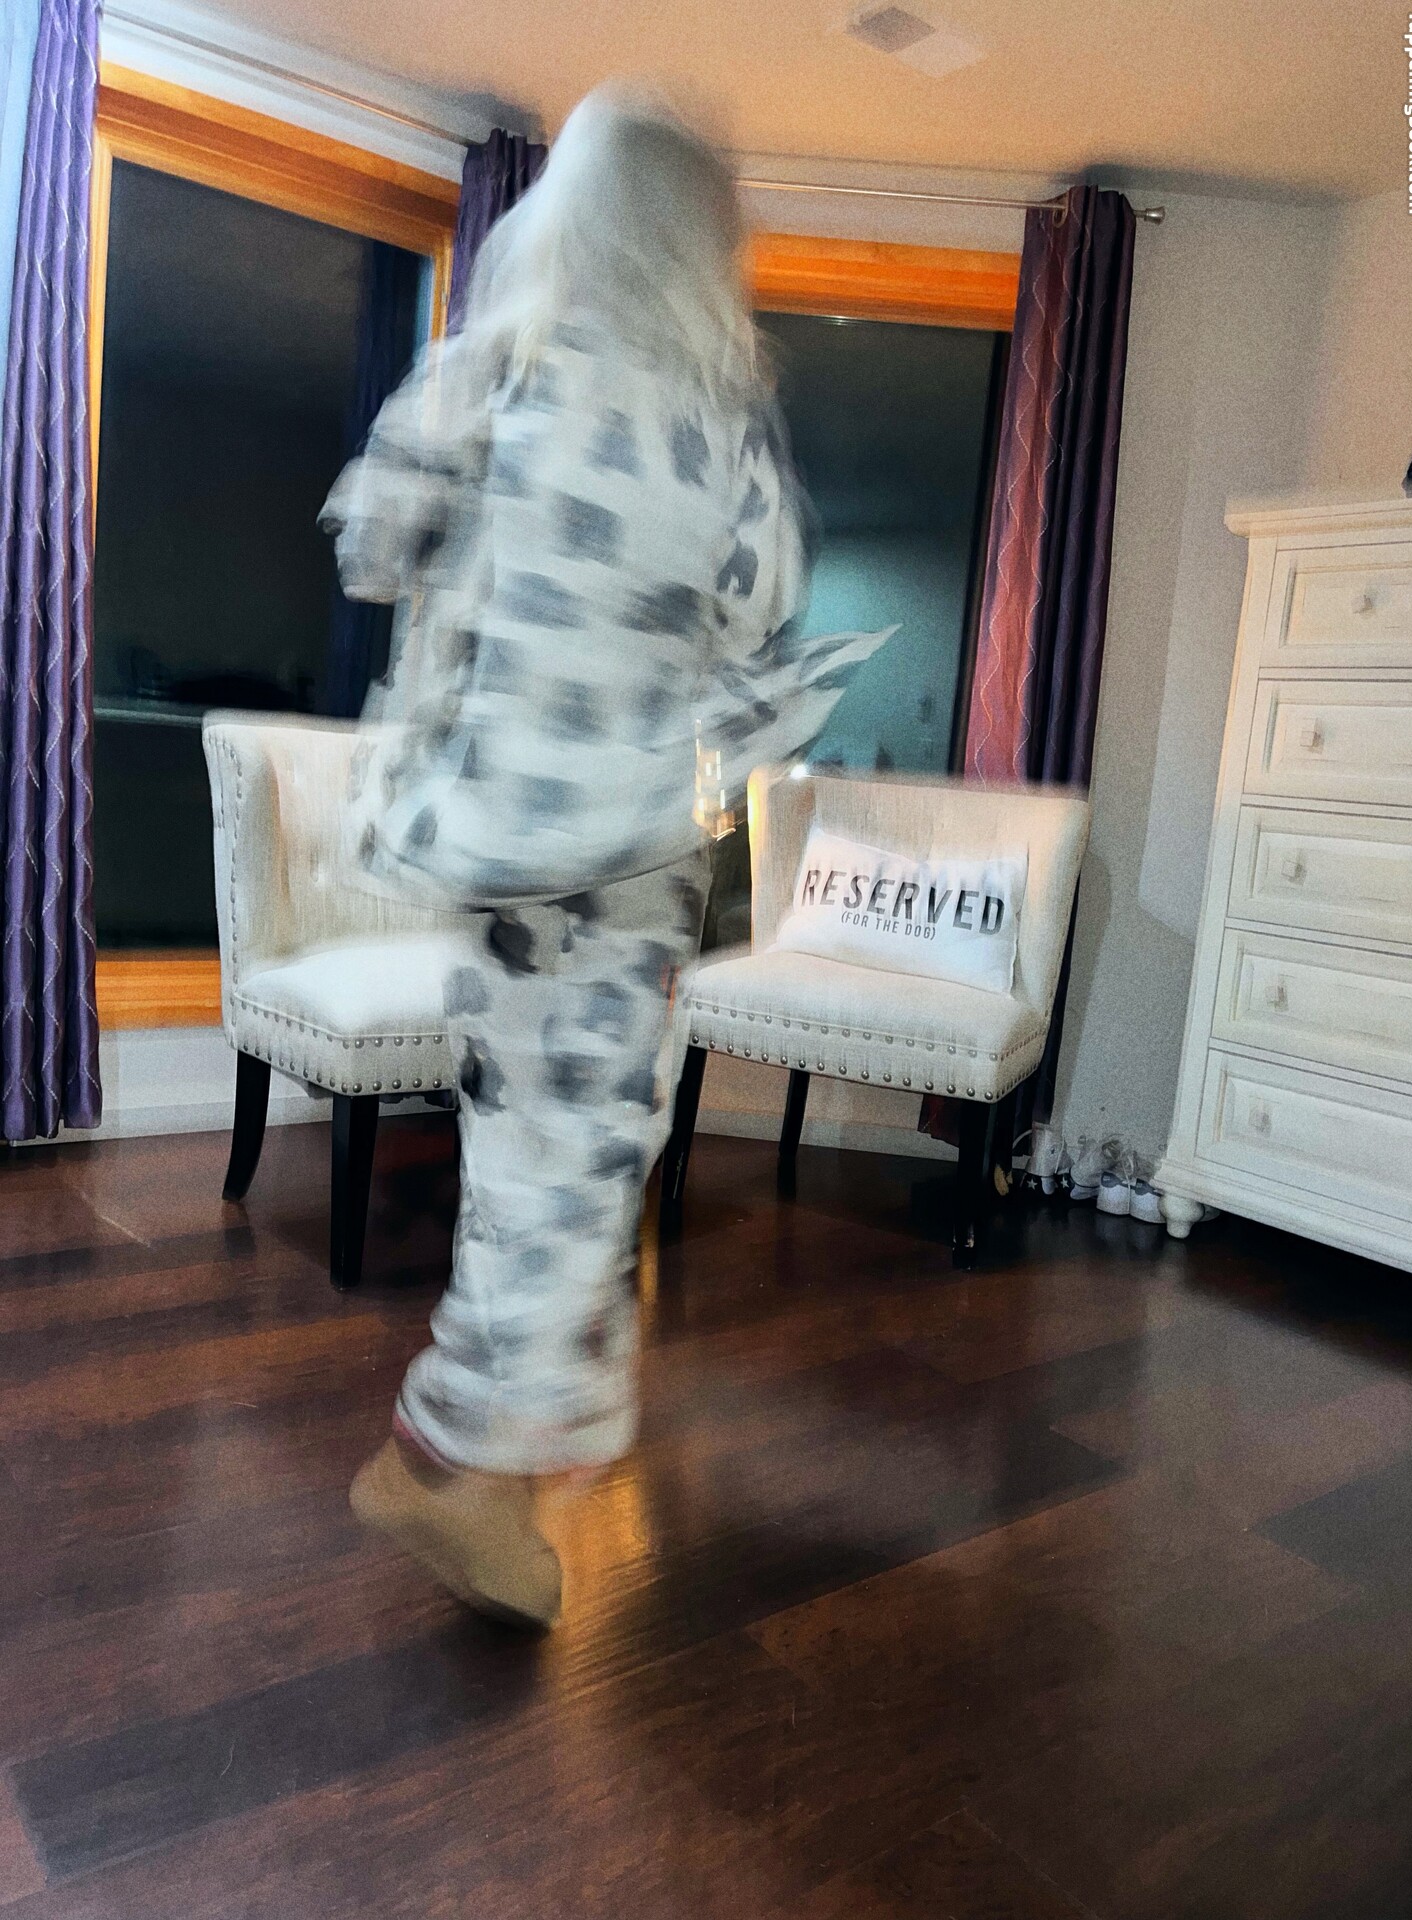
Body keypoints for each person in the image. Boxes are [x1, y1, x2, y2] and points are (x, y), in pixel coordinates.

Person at [323, 86, 887, 1628]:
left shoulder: (490, 371)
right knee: (586, 1164)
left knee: (526, 1149)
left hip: (497, 847)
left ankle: (494, 1468)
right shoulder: (722, 430)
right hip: (631, 856)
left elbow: (372, 543)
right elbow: (759, 605)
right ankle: (450, 1459)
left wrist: (467, 539)